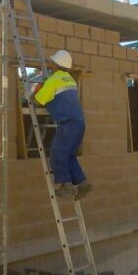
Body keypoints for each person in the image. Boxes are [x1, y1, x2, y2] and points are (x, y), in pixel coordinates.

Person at [33, 50, 92, 200]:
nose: (51, 65)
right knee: (69, 156)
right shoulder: (69, 80)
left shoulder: (54, 80)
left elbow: (38, 100)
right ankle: (82, 183)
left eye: (52, 63)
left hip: (67, 125)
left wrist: (35, 91)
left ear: (57, 65)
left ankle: (66, 186)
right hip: (79, 124)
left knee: (57, 155)